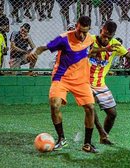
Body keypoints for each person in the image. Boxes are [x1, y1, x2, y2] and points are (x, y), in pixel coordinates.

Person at [27, 16, 97, 153]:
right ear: (75, 26)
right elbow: (43, 48)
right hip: (62, 78)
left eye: (85, 32)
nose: (82, 35)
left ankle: (87, 144)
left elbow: (91, 50)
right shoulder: (64, 38)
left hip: (81, 80)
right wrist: (34, 51)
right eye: (80, 31)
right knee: (54, 104)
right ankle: (61, 139)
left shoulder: (91, 39)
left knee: (90, 108)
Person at [89, 21, 130, 144]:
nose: (106, 39)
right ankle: (101, 134)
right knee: (90, 107)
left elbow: (129, 55)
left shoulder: (115, 44)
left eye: (109, 37)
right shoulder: (90, 39)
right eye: (104, 35)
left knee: (112, 114)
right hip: (83, 81)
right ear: (101, 30)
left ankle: (103, 136)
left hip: (99, 83)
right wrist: (105, 48)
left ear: (113, 35)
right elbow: (87, 52)